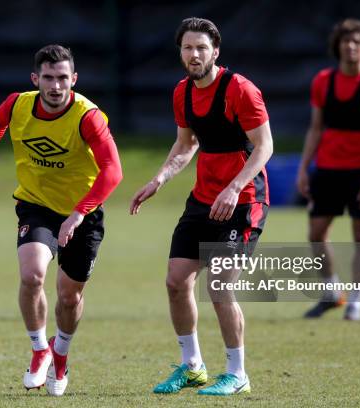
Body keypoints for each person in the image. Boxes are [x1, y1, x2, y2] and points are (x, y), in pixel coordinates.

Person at [0, 45, 122, 396]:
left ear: (73, 80)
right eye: (48, 77)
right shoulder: (19, 103)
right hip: (37, 205)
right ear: (36, 79)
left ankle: (60, 355)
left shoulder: (87, 116)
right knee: (32, 275)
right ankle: (38, 349)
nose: (55, 85)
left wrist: (79, 213)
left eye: (63, 78)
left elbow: (113, 170)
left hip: (84, 212)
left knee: (68, 296)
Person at [130, 17, 273, 396]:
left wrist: (235, 186)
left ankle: (237, 373)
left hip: (243, 201)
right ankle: (192, 367)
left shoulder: (240, 89)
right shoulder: (182, 92)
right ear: (180, 52)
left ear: (216, 52)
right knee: (176, 283)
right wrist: (158, 180)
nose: (194, 55)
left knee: (220, 286)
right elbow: (186, 143)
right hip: (203, 200)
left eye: (202, 48)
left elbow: (264, 146)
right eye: (188, 48)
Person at [297, 19, 360, 321]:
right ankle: (332, 293)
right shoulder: (323, 82)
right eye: (345, 41)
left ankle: (356, 300)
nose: (351, 46)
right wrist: (303, 168)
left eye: (357, 42)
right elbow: (315, 128)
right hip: (327, 168)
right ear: (337, 46)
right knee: (315, 232)